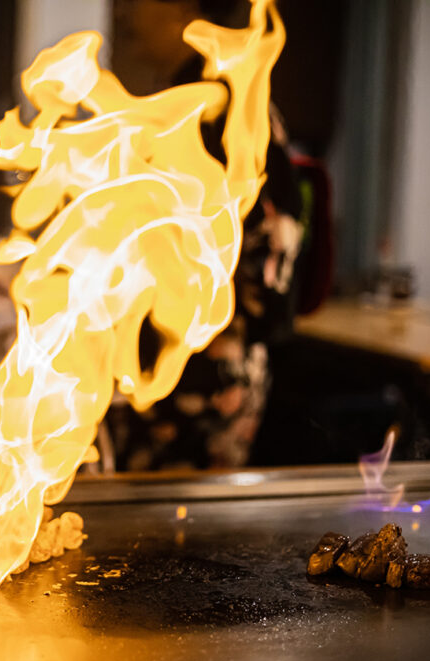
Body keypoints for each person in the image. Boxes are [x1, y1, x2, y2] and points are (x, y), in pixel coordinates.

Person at [105, 0, 304, 469]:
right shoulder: (184, 96)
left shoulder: (219, 105)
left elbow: (265, 247)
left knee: (168, 530)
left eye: (132, 3)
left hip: (205, 369)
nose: (122, 14)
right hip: (189, 363)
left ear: (180, 6)